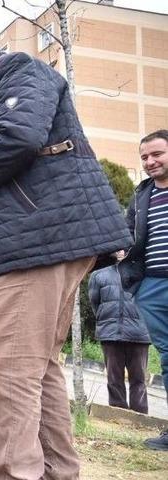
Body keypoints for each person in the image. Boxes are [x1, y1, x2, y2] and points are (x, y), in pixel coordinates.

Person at [0, 30, 131, 477]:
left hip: (40, 240)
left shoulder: (16, 68)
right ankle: (56, 472)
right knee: (38, 370)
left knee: (6, 367)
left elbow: (18, 137)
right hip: (46, 237)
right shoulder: (1, 82)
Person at [119, 129, 168, 450]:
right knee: (167, 359)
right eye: (144, 158)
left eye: (157, 155)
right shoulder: (142, 195)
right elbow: (125, 235)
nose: (150, 162)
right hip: (151, 286)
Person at [89, 250, 150, 414]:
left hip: (139, 334)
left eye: (126, 248)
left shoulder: (142, 273)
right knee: (114, 378)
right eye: (118, 248)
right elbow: (95, 303)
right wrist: (107, 320)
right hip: (110, 333)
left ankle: (139, 415)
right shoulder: (98, 275)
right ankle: (117, 413)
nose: (122, 251)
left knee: (138, 378)